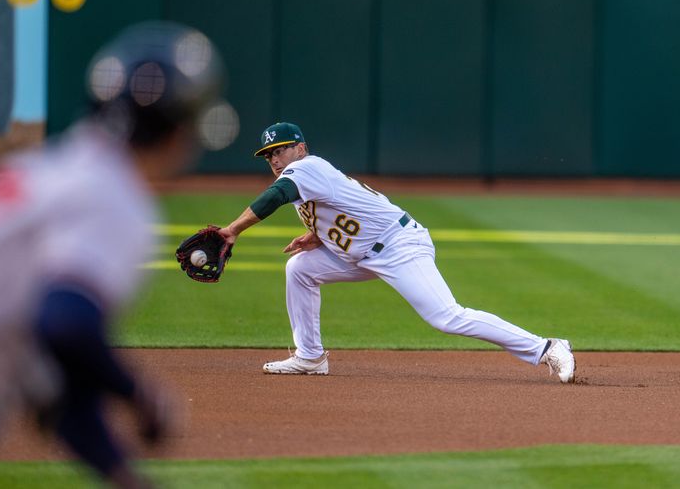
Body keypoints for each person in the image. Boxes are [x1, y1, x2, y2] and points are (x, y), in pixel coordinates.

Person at [0, 20, 228, 488]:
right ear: (181, 133)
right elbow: (68, 324)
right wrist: (139, 395)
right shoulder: (113, 199)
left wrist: (123, 476)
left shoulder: (47, 169)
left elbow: (64, 392)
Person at [218, 122, 576, 383]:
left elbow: (274, 198)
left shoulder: (307, 167)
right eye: (268, 155)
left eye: (280, 149)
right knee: (300, 269)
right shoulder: (305, 175)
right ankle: (310, 357)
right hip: (362, 253)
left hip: (400, 246)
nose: (275, 159)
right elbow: (346, 208)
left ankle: (547, 347)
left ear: (300, 147)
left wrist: (232, 230)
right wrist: (317, 235)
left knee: (446, 317)